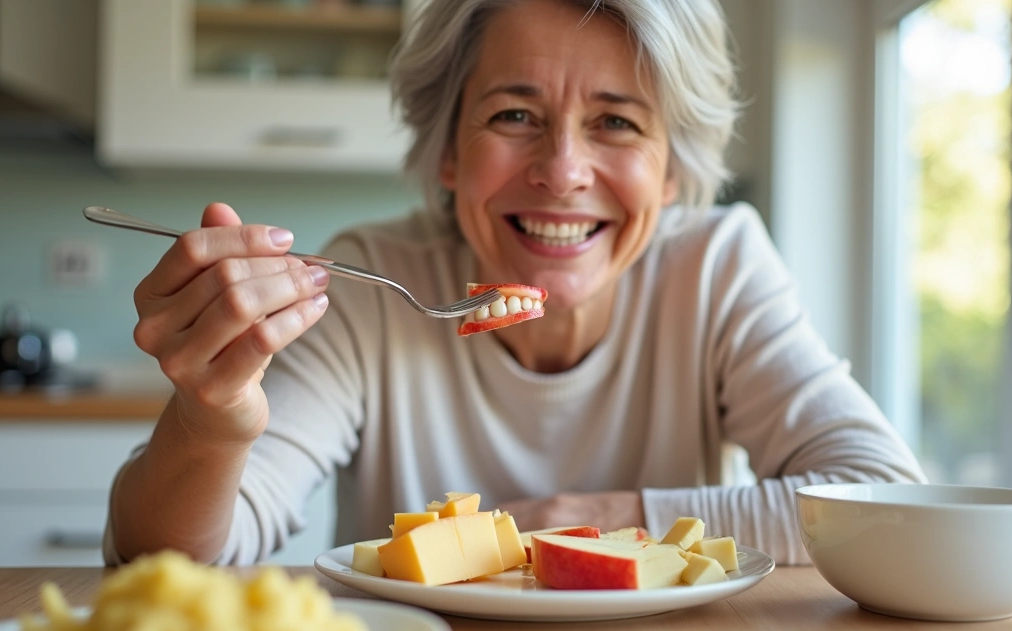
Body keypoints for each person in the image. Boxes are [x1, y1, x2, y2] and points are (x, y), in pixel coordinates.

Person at [104, 0, 925, 567]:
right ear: (449, 154)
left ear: (671, 170)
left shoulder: (715, 269)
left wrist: (607, 521)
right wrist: (213, 424)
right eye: (514, 115)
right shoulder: (371, 288)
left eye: (616, 122)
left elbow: (889, 503)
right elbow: (168, 559)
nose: (563, 173)